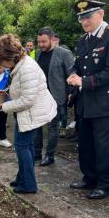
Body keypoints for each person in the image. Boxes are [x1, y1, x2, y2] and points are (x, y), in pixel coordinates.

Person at [67, 0, 109, 200]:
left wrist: (83, 81)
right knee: (85, 144)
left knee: (103, 146)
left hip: (106, 103)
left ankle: (105, 184)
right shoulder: (83, 40)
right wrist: (73, 75)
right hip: (85, 102)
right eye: (81, 18)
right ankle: (89, 177)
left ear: (101, 14)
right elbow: (77, 64)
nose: (84, 22)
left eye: (88, 17)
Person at [0, 34, 57, 194]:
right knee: (25, 146)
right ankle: (23, 178)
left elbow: (27, 99)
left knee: (22, 146)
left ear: (11, 56)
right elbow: (22, 89)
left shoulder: (27, 68)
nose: (1, 64)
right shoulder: (20, 65)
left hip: (31, 113)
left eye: (2, 60)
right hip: (26, 114)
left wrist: (4, 106)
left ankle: (28, 184)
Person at [34, 27, 75, 166]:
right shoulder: (38, 54)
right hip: (39, 96)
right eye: (39, 42)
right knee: (37, 125)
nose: (41, 45)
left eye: (44, 42)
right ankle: (37, 153)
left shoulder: (64, 53)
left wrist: (70, 93)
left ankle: (49, 155)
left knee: (52, 127)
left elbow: (72, 74)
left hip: (56, 96)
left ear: (52, 39)